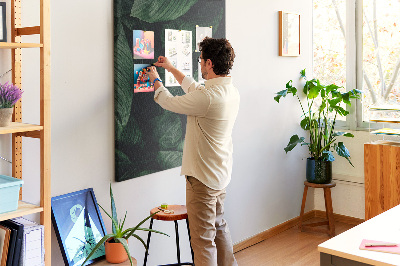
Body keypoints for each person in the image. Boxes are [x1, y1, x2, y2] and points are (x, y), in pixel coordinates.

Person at [144, 37, 239, 266]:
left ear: (209, 63)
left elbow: (169, 101)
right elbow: (194, 88)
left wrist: (156, 79)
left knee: (203, 241)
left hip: (202, 180)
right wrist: (171, 68)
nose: (199, 65)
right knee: (219, 229)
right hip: (219, 175)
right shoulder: (229, 91)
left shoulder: (207, 98)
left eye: (200, 61)